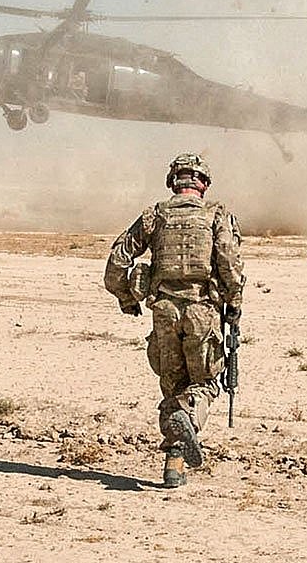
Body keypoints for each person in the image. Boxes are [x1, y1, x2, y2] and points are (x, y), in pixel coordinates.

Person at [104, 152, 245, 488]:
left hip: (163, 313)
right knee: (206, 384)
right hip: (201, 311)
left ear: (173, 182)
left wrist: (126, 297)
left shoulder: (155, 215)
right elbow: (227, 261)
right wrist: (234, 302)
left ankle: (174, 468)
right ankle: (187, 426)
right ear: (204, 184)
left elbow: (117, 260)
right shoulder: (215, 214)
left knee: (173, 388)